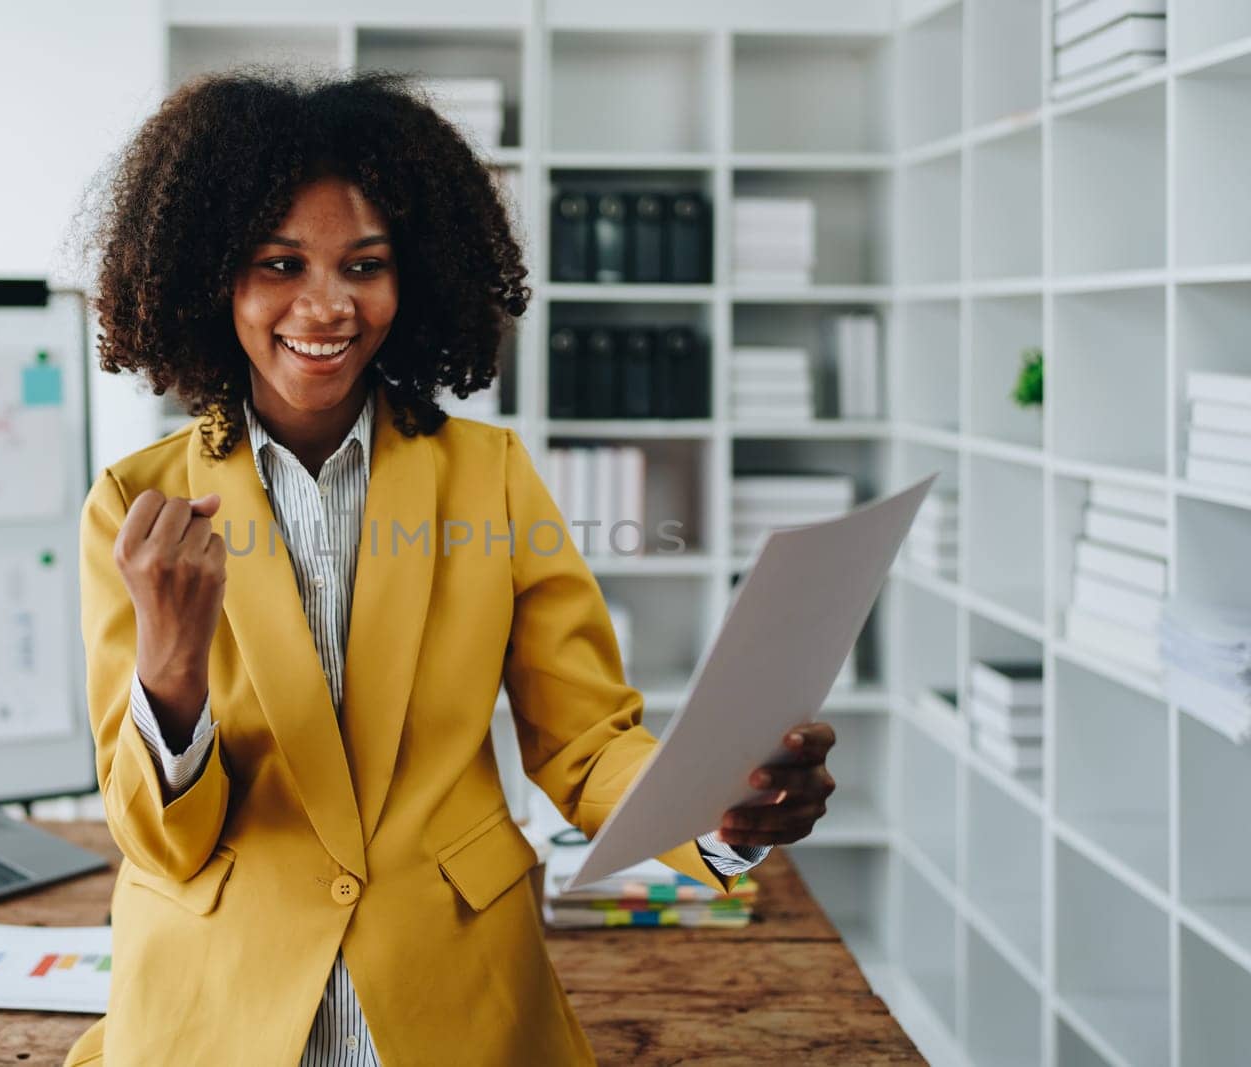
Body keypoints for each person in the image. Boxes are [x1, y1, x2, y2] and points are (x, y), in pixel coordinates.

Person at [67, 68, 837, 1067]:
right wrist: (170, 668)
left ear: (415, 274)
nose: (327, 305)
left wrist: (723, 804)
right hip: (218, 1003)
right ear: (210, 273)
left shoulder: (493, 477)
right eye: (279, 262)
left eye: (365, 264)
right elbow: (161, 838)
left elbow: (584, 744)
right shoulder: (138, 505)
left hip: (456, 993)